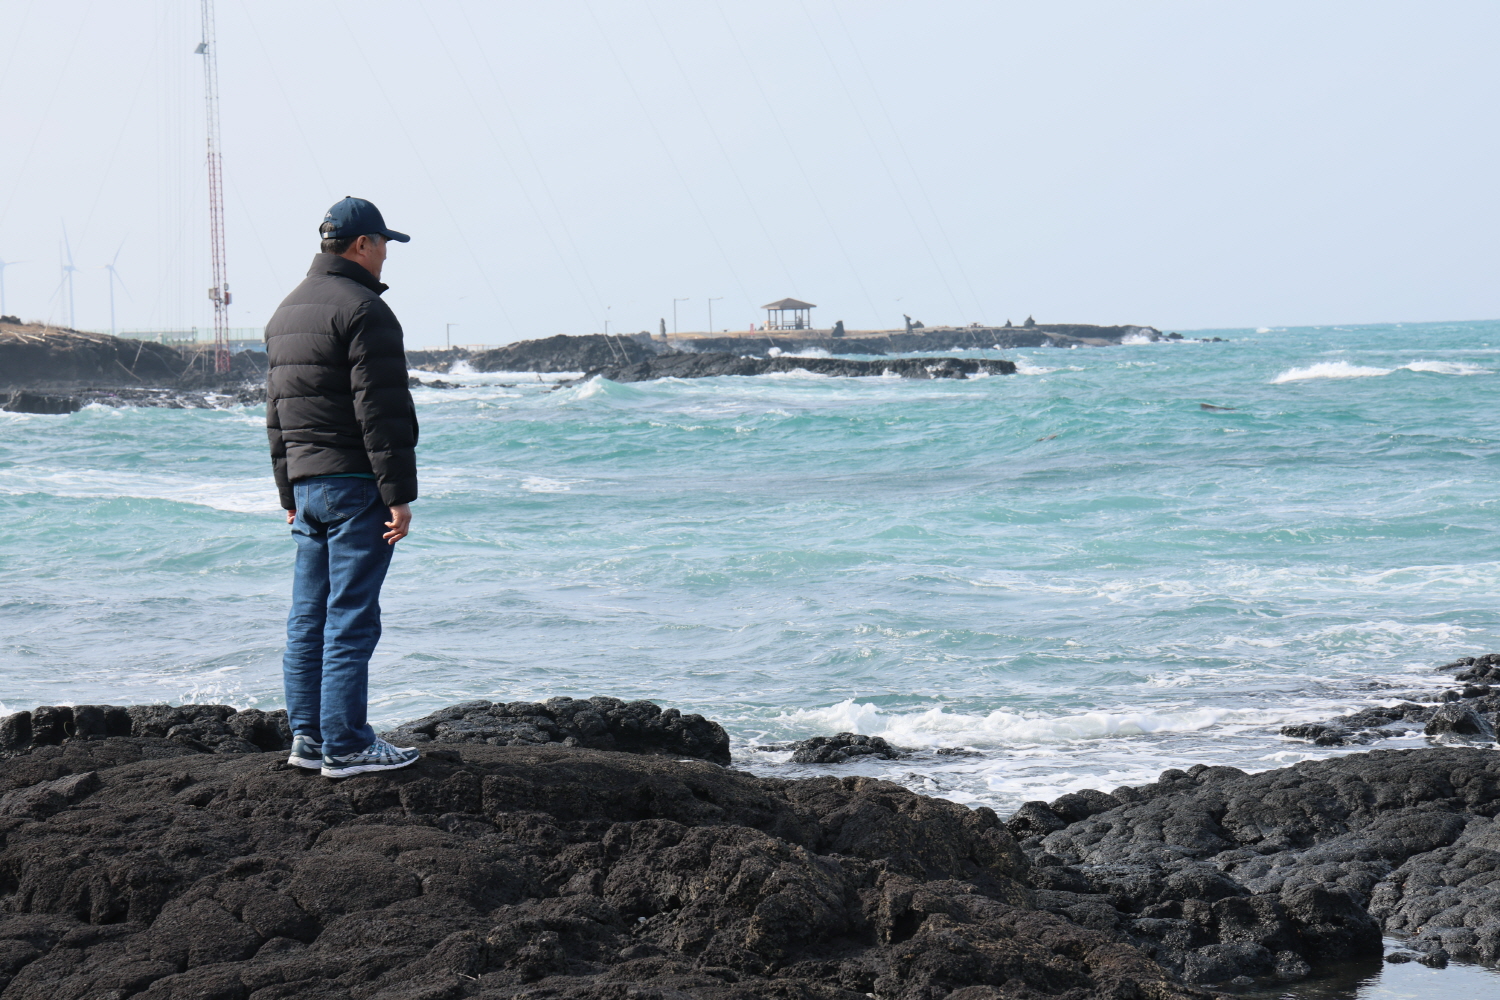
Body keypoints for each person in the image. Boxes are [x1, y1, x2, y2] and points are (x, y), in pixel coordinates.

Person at [264, 196, 421, 778]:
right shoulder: (364, 311)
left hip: (307, 487)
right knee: (352, 617)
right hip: (356, 484)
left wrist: (288, 493)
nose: (386, 256)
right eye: (384, 244)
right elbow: (379, 412)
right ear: (362, 245)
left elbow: (276, 415)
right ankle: (348, 744)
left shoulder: (285, 312)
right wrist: (398, 494)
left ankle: (307, 737)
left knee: (308, 617)